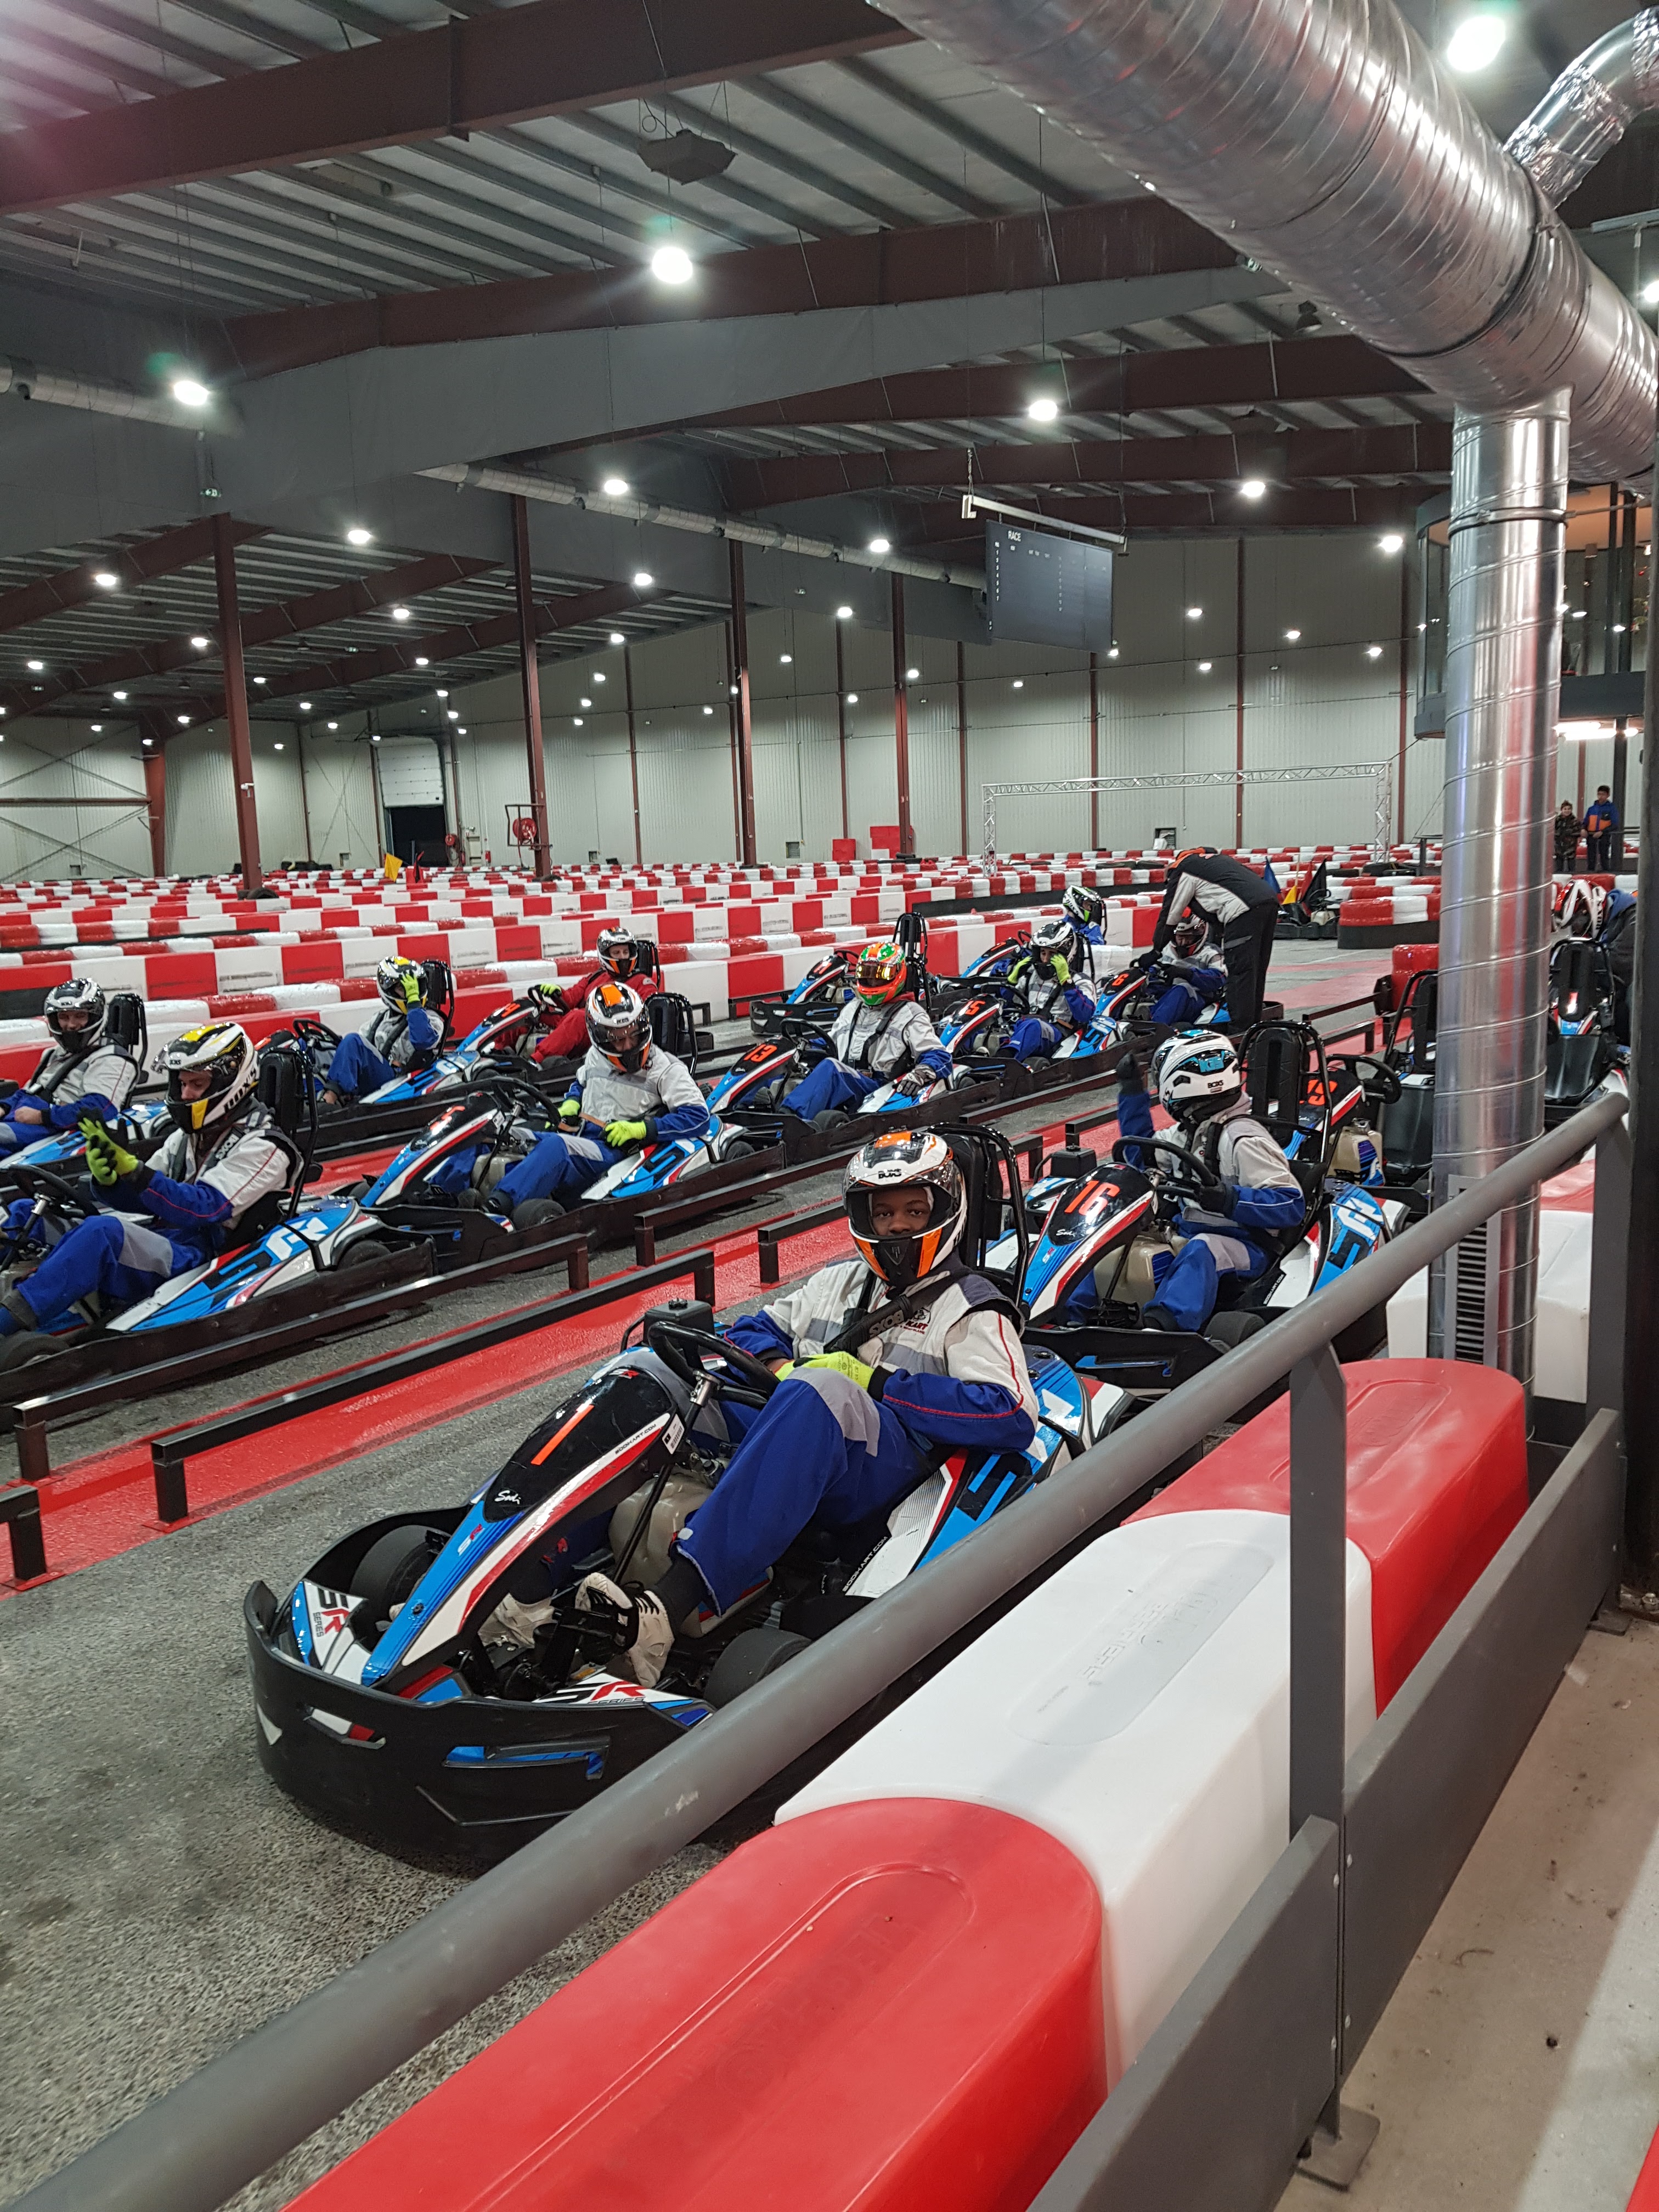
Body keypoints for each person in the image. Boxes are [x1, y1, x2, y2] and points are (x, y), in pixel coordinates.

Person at [549, 1130, 1039, 1686]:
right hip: (807, 1429)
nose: (896, 1226)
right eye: (883, 1214)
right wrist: (782, 1367)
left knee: (819, 1391)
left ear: (945, 1212)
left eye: (913, 1211)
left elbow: (1010, 1412)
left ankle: (665, 1609)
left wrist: (877, 1382)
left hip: (888, 1472)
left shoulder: (972, 1307)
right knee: (645, 1372)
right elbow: (751, 1330)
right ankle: (536, 1577)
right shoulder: (838, 1283)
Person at [0, 1022, 299, 1344]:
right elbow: (145, 1198)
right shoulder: (187, 1138)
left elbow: (204, 1207)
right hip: (163, 1236)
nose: (186, 1094)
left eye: (197, 1084)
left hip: (199, 1257)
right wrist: (110, 1181)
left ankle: (7, 1320)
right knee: (26, 1212)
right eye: (182, 1084)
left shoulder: (266, 1147)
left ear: (232, 1083)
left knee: (102, 1234)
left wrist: (136, 1173)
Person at [1115, 1032, 1304, 1335]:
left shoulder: (1244, 1138)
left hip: (1248, 1245)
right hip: (1188, 1232)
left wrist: (1230, 1199)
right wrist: (1131, 1093)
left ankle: (1165, 1329)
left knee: (1205, 1248)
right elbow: (1141, 1156)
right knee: (1118, 1240)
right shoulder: (1187, 1133)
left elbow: (1290, 1204)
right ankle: (1070, 1313)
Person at [490, 981, 708, 1216]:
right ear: (600, 1036)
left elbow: (699, 1116)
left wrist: (643, 1129)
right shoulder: (596, 1056)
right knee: (498, 1131)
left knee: (556, 1148)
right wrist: (572, 1102)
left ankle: (497, 1208)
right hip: (580, 1135)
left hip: (613, 1150)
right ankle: (464, 1200)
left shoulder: (665, 1069)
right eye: (617, 1039)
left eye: (634, 1035)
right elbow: (582, 1083)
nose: (628, 1046)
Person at [779, 941, 951, 1119]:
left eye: (880, 976)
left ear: (898, 974)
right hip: (845, 1079)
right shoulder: (853, 1008)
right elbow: (832, 1043)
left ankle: (788, 1120)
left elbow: (939, 1056)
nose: (872, 982)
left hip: (876, 1088)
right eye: (867, 975)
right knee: (783, 1057)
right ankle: (763, 1107)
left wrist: (919, 1075)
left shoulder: (911, 1014)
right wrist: (801, 1046)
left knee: (831, 1069)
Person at [0, 980, 140, 1154]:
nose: (71, 1025)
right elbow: (30, 1091)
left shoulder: (112, 1058)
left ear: (94, 1017)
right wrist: (4, 1106)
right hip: (23, 1117)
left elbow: (100, 1108)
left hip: (52, 1127)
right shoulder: (54, 1053)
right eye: (64, 1017)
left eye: (80, 1016)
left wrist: (42, 1117)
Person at [1147, 845, 1279, 1029]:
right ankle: (1253, 1026)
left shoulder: (1183, 869)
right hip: (1269, 902)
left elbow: (1170, 915)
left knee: (1240, 971)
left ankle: (1240, 1030)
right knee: (1255, 970)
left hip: (1242, 911)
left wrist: (1156, 950)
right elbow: (1215, 907)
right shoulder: (1218, 862)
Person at [322, 956, 444, 1104]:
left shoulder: (431, 1019)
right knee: (314, 1044)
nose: (408, 993)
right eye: (402, 988)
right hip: (377, 1074)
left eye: (413, 987)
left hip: (398, 1082)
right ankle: (308, 1100)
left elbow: (423, 1040)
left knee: (352, 1041)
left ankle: (329, 1101)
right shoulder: (381, 1017)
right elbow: (359, 1048)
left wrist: (413, 1002)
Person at [532, 930, 658, 1066]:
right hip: (579, 1027)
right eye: (617, 953)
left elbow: (646, 1016)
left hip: (608, 1034)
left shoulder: (642, 982)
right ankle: (514, 1058)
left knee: (578, 1017)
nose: (622, 957)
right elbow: (570, 999)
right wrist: (558, 993)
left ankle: (535, 1061)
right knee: (532, 1009)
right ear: (605, 955)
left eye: (625, 952)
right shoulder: (596, 977)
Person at [1006, 918, 1097, 1059]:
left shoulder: (1080, 980)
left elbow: (1085, 1015)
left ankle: (1005, 1062)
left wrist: (1067, 982)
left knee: (1033, 1026)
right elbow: (1007, 1003)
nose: (1045, 960)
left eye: (1052, 954)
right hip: (1023, 1025)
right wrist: (1012, 980)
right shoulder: (1030, 975)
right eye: (1043, 953)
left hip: (1055, 1032)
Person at [1146, 915, 1228, 1028]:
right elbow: (1153, 970)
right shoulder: (1166, 950)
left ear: (1198, 937)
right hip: (1166, 992)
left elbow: (1219, 978)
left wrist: (1188, 974)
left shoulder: (1211, 953)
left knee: (1183, 989)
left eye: (1188, 938)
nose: (1183, 943)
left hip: (1198, 999)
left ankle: (1154, 1028)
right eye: (1180, 937)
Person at [1583, 786, 1619, 873]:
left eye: (1603, 794)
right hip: (1591, 835)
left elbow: (1615, 825)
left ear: (1608, 795)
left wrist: (1603, 832)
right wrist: (1583, 829)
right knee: (1591, 856)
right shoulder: (1592, 809)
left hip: (1604, 836)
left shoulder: (1611, 809)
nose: (1601, 797)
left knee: (1604, 855)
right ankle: (1590, 872)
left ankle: (1605, 872)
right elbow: (1586, 821)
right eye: (1599, 794)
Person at [1554, 800, 1582, 873]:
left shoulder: (1575, 821)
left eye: (1569, 809)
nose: (1567, 811)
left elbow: (1579, 832)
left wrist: (1570, 834)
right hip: (1559, 845)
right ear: (1562, 810)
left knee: (1571, 864)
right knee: (1559, 862)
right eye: (1565, 809)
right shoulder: (1557, 820)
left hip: (1571, 846)